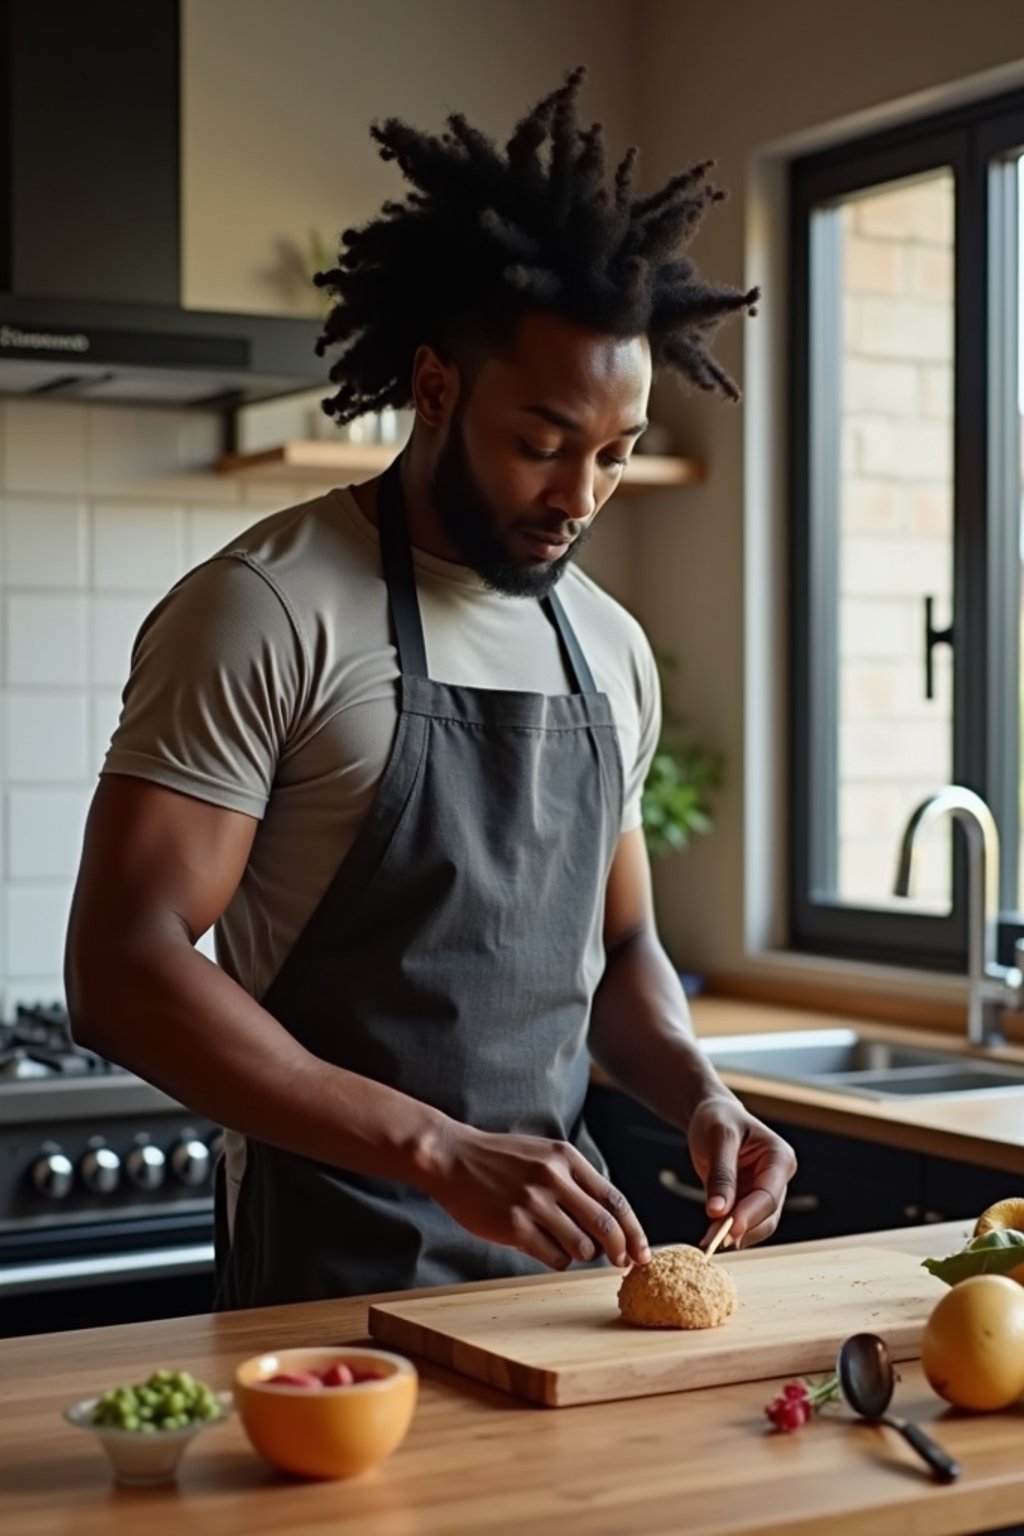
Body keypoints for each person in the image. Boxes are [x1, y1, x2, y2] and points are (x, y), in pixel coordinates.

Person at [65, 67, 796, 1309]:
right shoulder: (267, 608)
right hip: (322, 1272)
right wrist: (436, 1149)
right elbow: (122, 967)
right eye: (542, 442)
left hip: (556, 1277)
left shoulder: (607, 649)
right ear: (439, 391)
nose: (578, 496)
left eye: (614, 455)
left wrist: (700, 1091)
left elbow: (620, 951)